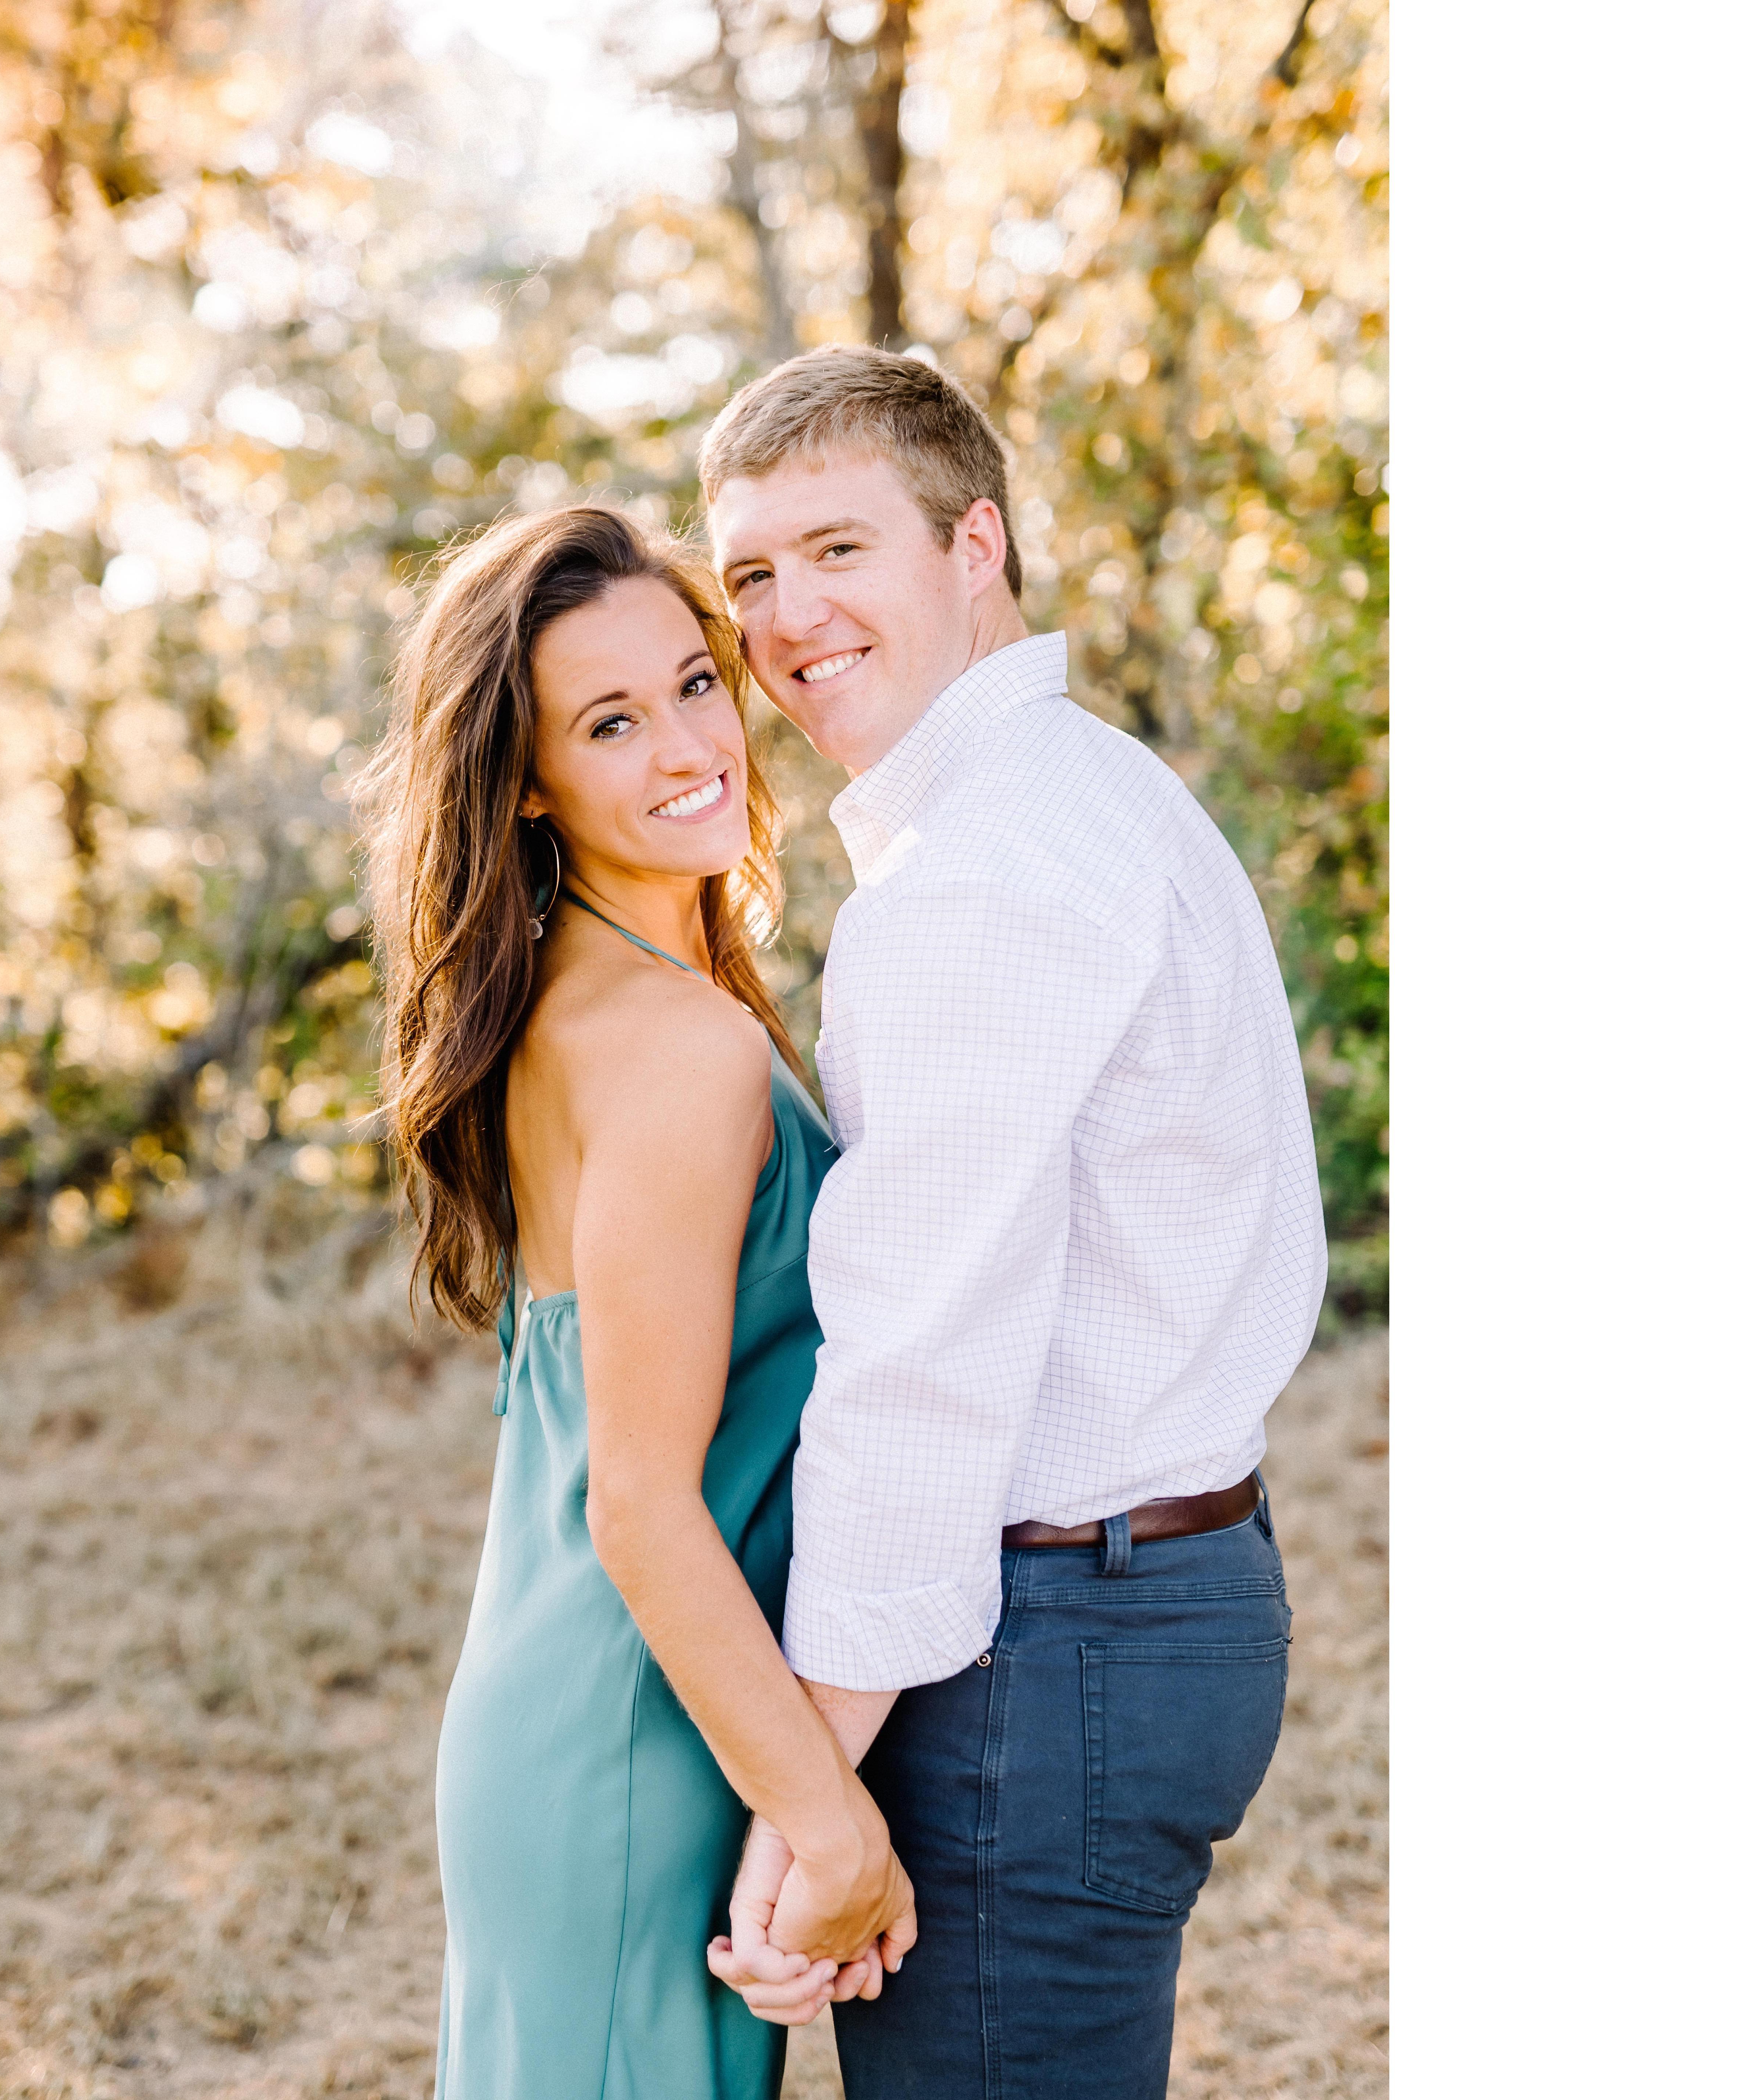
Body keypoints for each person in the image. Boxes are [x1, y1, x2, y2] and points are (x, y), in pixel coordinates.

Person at [699, 345, 1328, 2097]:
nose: (787, 617)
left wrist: (811, 1797)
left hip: (1051, 1653)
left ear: (975, 544)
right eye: (750, 575)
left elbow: (924, 1370)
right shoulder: (1093, 790)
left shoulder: (980, 872)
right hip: (1145, 1601)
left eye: (839, 549)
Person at [363, 505, 917, 2100]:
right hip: (637, 1740)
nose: (689, 745)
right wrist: (828, 1824)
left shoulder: (584, 997)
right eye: (610, 722)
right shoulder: (683, 1047)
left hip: (583, 1712)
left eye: (691, 683)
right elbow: (642, 1506)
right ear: (529, 780)